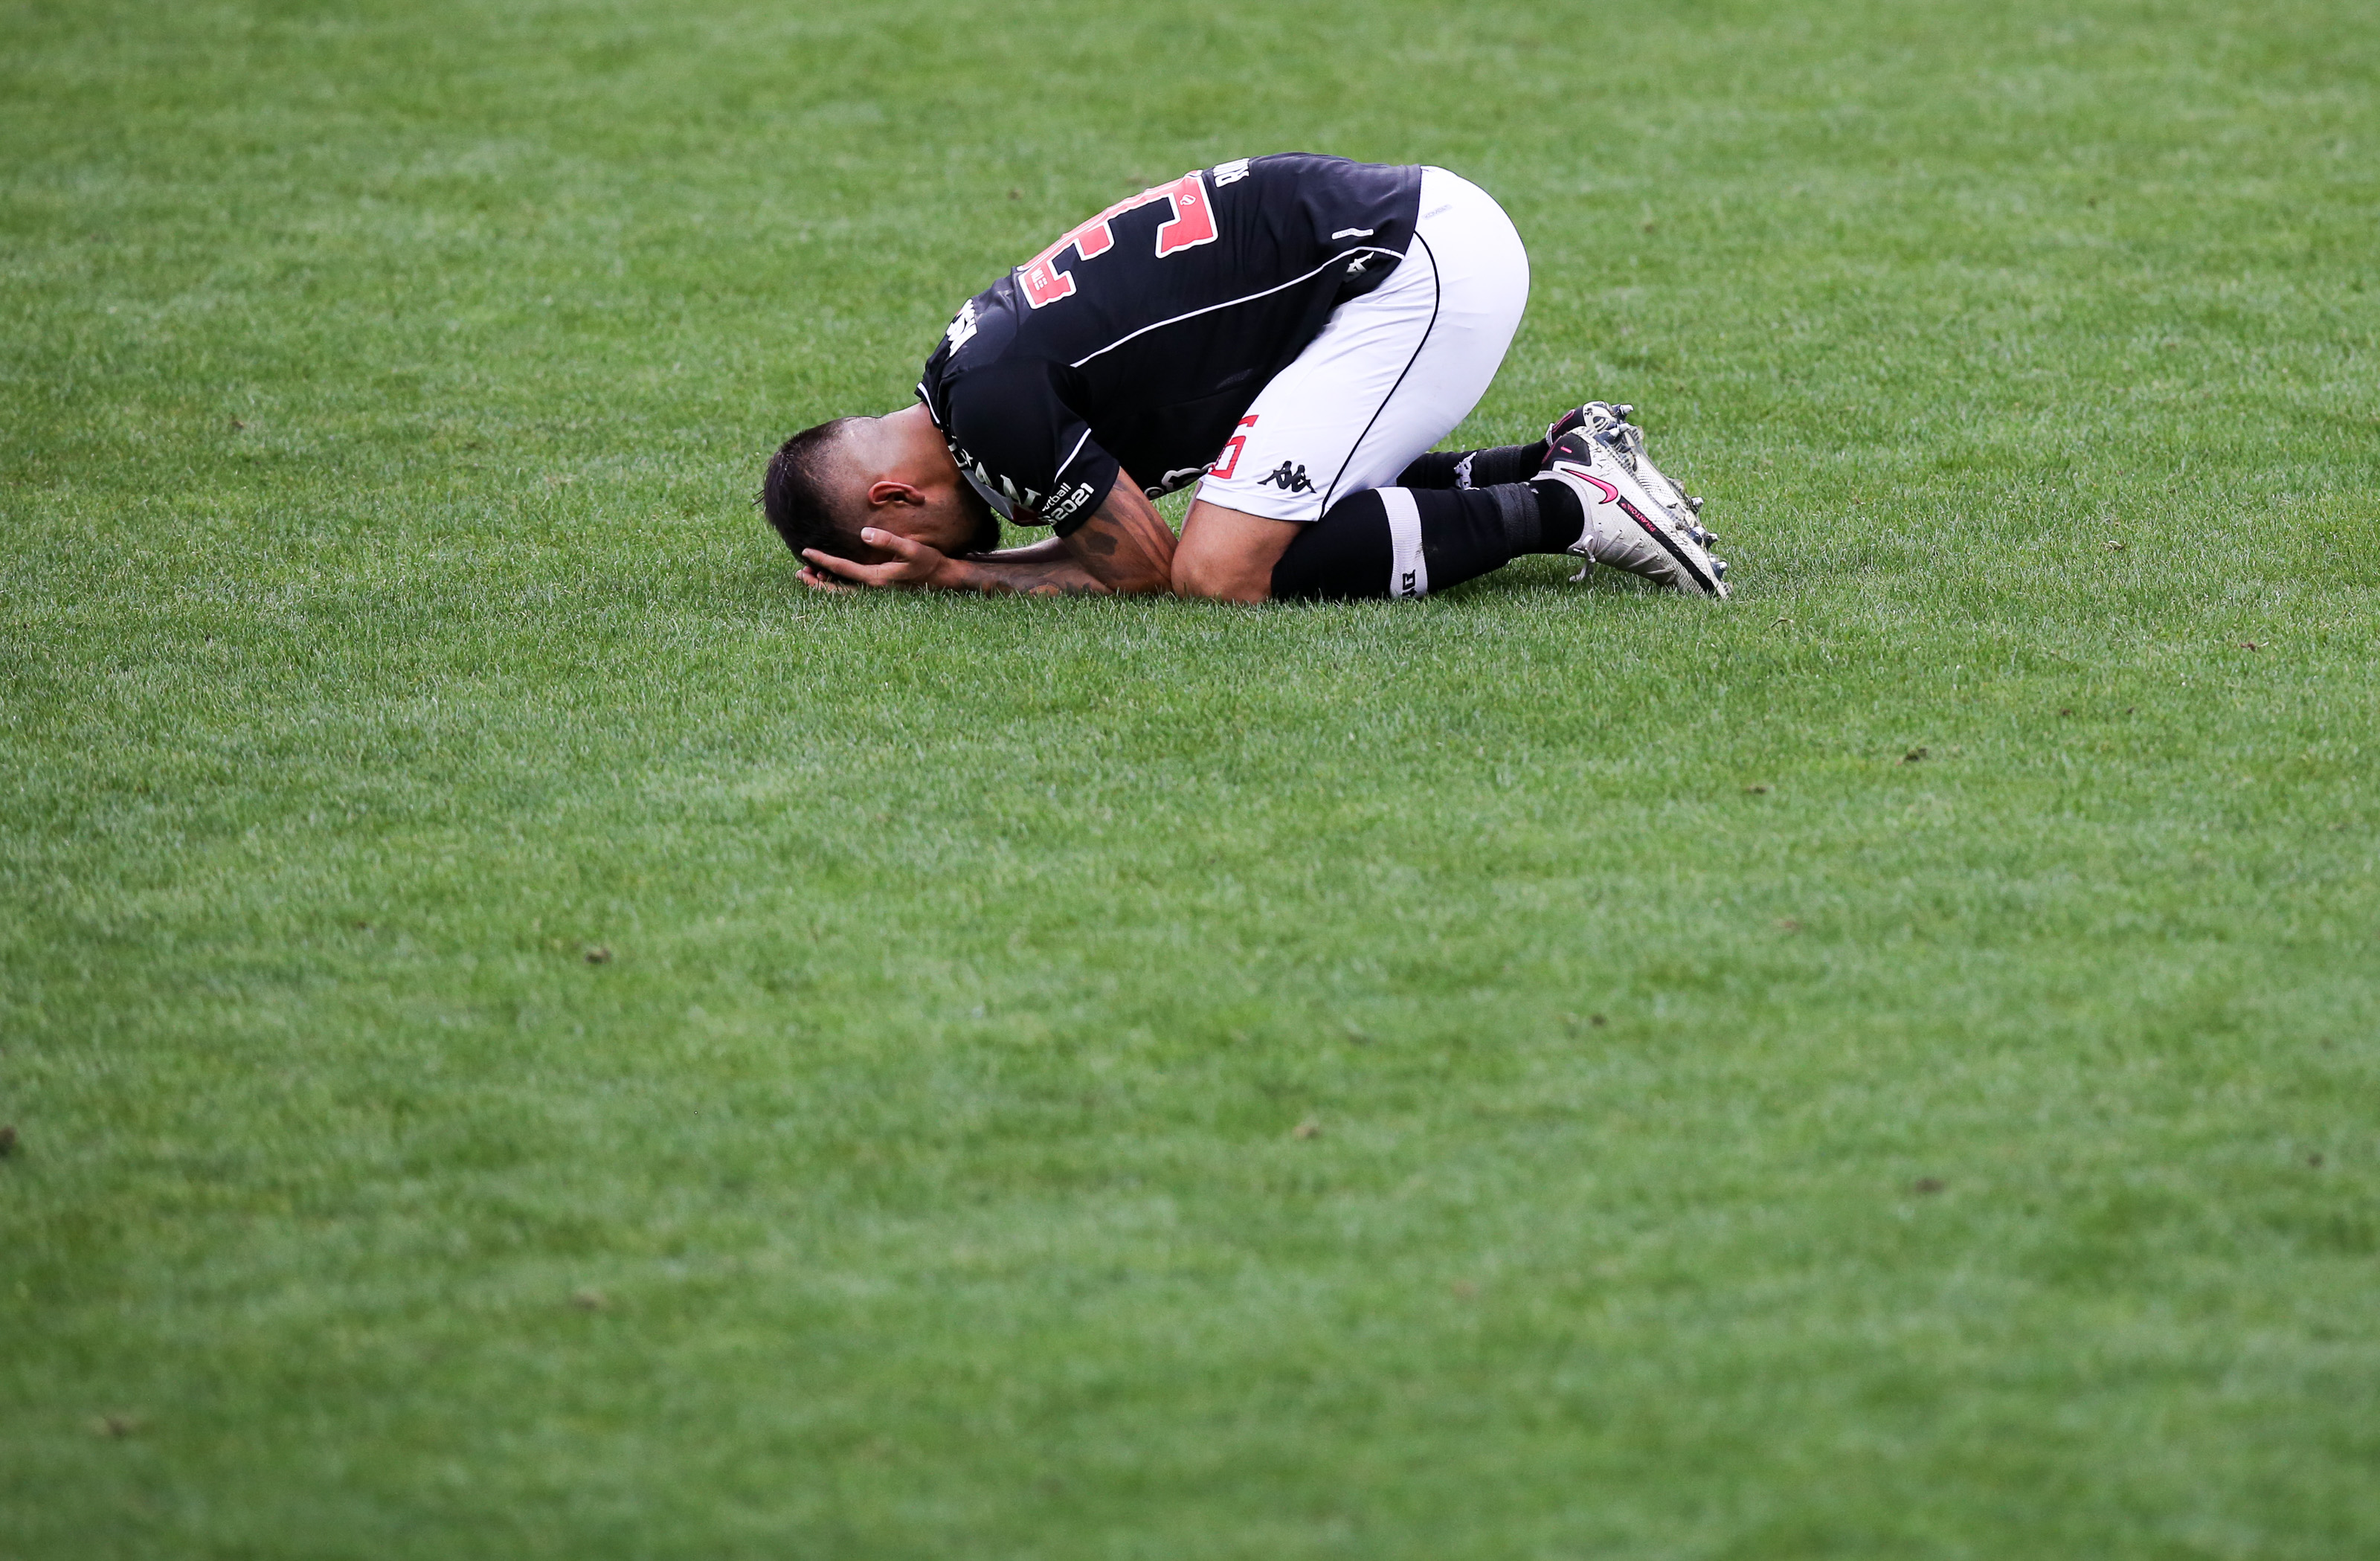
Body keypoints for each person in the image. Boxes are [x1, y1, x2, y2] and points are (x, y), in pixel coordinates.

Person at [761, 153, 1728, 602]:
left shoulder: (990, 410)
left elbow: (1140, 566)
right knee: (1249, 508)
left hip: (1411, 269)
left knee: (1223, 569)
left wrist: (955, 574)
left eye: (896, 541)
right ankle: (1556, 457)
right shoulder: (965, 367)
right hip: (1409, 240)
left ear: (894, 495)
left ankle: (1575, 505)